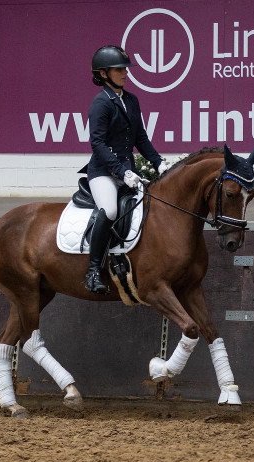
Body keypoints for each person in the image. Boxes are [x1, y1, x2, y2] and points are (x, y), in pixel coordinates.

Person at [82, 45, 168, 294]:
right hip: (103, 173)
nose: (125, 74)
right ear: (104, 73)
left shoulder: (131, 100)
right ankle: (93, 270)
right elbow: (97, 143)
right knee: (108, 210)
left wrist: (158, 162)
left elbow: (140, 137)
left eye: (125, 69)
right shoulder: (101, 103)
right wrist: (122, 172)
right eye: (119, 70)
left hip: (127, 172)